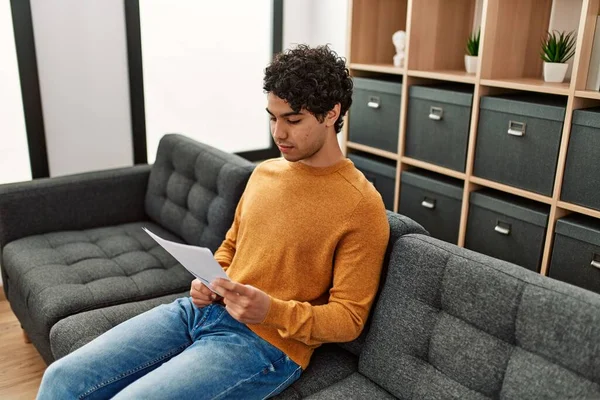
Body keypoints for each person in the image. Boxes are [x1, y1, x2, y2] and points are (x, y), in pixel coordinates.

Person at [36, 44, 390, 400]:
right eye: (272, 117)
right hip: (198, 312)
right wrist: (208, 279)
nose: (278, 133)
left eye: (293, 120)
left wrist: (271, 310)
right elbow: (232, 245)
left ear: (331, 114)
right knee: (61, 378)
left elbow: (348, 319)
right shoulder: (265, 173)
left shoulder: (361, 206)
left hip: (263, 345)